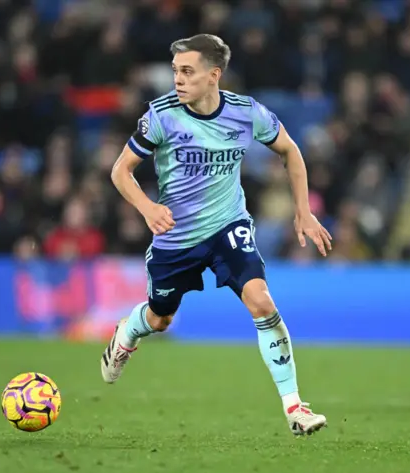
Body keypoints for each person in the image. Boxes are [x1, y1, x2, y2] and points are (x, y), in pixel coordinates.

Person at [102, 34, 332, 436]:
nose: (178, 79)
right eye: (175, 71)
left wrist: (304, 212)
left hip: (228, 226)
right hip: (176, 237)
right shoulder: (161, 116)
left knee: (262, 302)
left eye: (187, 71)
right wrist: (148, 208)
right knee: (160, 318)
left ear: (214, 75)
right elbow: (121, 170)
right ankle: (127, 332)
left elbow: (290, 151)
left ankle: (295, 408)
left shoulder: (247, 113)